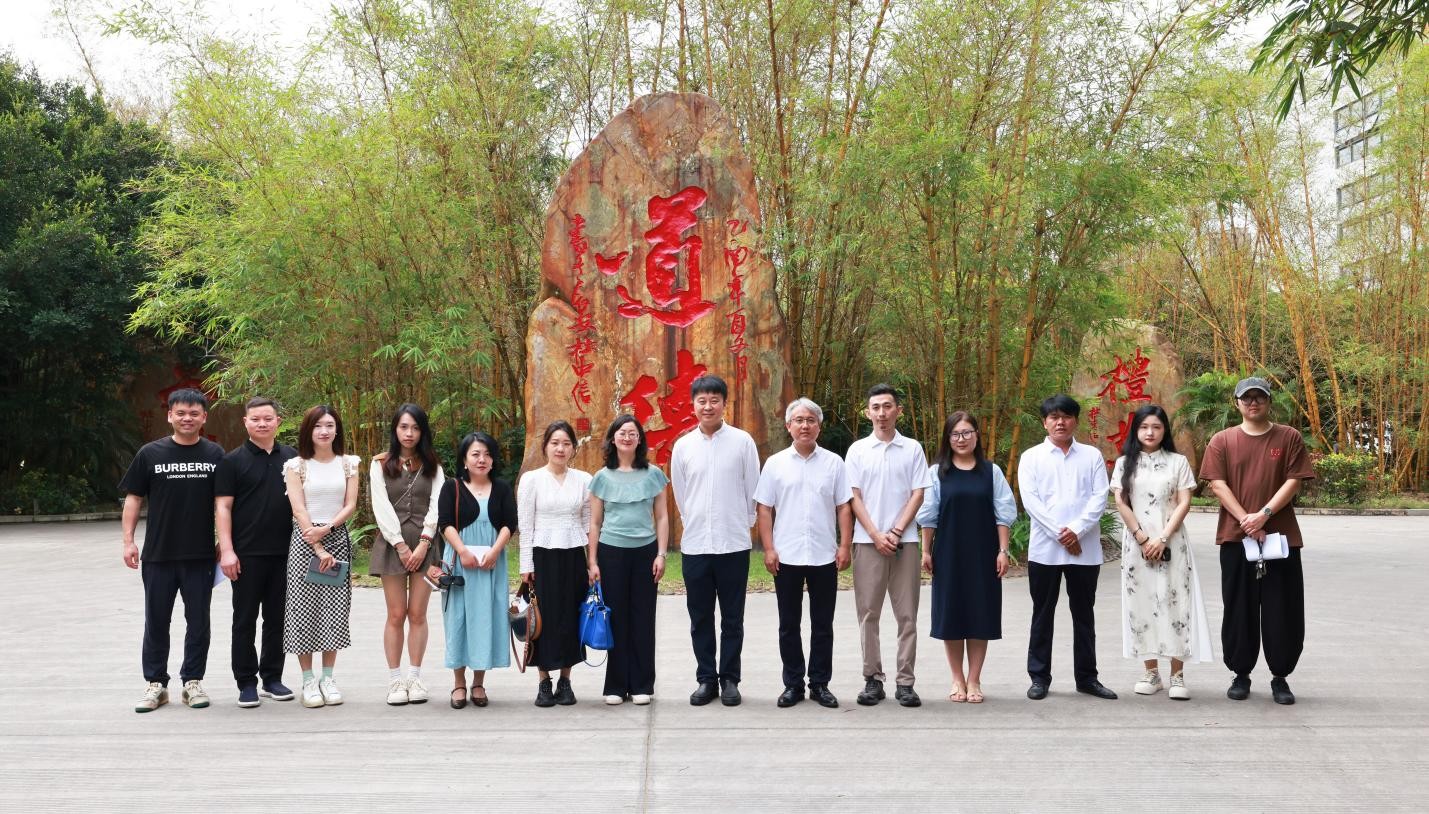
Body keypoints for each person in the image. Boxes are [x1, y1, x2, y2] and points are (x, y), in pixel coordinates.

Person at [1200, 377, 1313, 705]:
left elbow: (1294, 481)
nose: (1253, 403)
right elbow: (1217, 484)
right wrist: (1246, 521)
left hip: (1280, 539)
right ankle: (1240, 673)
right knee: (1239, 607)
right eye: (1246, 398)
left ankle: (1280, 676)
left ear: (1268, 401)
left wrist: (1263, 515)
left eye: (1259, 397)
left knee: (1283, 608)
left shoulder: (1288, 437)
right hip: (1236, 538)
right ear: (1236, 403)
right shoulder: (1222, 440)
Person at [120, 388, 225, 713]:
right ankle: (156, 684)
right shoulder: (150, 453)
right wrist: (128, 540)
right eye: (181, 413)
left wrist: (225, 543)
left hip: (200, 556)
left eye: (194, 413)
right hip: (158, 555)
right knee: (156, 621)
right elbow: (134, 498)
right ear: (170, 416)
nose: (187, 418)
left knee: (199, 622)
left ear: (204, 417)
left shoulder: (215, 454)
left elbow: (224, 503)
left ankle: (192, 682)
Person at [1110, 404, 1214, 700]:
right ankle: (1151, 672)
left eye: (1156, 427)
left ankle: (1177, 675)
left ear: (1164, 430)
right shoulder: (1124, 463)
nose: (1150, 432)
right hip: (1137, 544)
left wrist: (1163, 537)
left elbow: (1184, 502)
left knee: (1176, 602)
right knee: (1141, 603)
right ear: (1136, 430)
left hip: (1173, 542)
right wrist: (1142, 538)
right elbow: (1121, 502)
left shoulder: (1177, 462)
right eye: (1144, 427)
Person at [754, 398, 853, 709]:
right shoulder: (775, 464)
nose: (805, 425)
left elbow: (843, 507)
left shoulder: (834, 463)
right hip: (786, 555)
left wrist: (845, 545)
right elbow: (764, 509)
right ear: (789, 426)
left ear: (819, 427)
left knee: (823, 624)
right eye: (799, 420)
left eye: (811, 420)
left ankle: (820, 684)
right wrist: (769, 548)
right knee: (789, 624)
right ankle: (793, 684)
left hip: (824, 554)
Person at [1017, 394, 1117, 701]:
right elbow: (1031, 502)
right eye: (1054, 417)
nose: (1060, 422)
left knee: (1084, 615)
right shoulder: (1031, 457)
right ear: (1044, 422)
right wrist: (1062, 535)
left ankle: (1087, 678)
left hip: (1084, 551)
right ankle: (1039, 678)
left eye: (1066, 416)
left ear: (1076, 420)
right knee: (1042, 614)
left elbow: (1099, 497)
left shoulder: (1091, 456)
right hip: (1045, 552)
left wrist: (1076, 531)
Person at [669, 374, 760, 707]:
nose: (708, 406)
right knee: (700, 617)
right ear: (693, 405)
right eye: (702, 401)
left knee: (733, 618)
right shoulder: (683, 446)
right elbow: (681, 494)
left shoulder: (742, 442)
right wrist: (693, 521)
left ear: (724, 403)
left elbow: (753, 488)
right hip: (696, 546)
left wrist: (743, 524)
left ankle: (730, 679)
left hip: (733, 544)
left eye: (714, 400)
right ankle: (706, 679)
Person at [916, 411, 1016, 704]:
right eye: (955, 434)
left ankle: (974, 679)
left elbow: (1003, 514)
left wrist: (1003, 551)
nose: (961, 439)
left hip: (984, 552)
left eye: (966, 433)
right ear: (948, 438)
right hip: (948, 552)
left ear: (976, 435)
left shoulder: (991, 472)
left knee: (980, 613)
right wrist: (926, 550)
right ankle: (957, 678)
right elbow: (929, 515)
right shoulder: (937, 473)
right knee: (951, 614)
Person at [844, 384, 931, 707]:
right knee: (869, 614)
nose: (882, 413)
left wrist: (895, 531)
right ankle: (872, 679)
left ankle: (905, 682)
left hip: (904, 542)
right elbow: (853, 496)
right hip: (867, 543)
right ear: (868, 412)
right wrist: (875, 534)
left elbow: (918, 493)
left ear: (898, 411)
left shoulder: (912, 449)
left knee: (907, 615)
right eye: (876, 407)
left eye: (887, 406)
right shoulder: (857, 450)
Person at [215, 397, 298, 708]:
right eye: (255, 419)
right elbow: (223, 507)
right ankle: (246, 682)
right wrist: (227, 550)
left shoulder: (292, 458)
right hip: (246, 554)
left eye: (268, 418)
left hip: (286, 552)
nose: (262, 423)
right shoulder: (231, 461)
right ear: (245, 422)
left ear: (278, 421)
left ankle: (272, 678)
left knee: (277, 619)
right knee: (244, 619)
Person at [587, 415, 670, 705]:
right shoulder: (602, 477)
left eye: (632, 433)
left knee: (643, 617)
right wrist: (593, 561)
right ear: (613, 438)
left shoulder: (653, 474)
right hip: (611, 552)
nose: (627, 437)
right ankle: (615, 685)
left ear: (639, 440)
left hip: (646, 551)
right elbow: (595, 523)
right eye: (622, 432)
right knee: (616, 617)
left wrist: (661, 554)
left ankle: (642, 684)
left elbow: (662, 517)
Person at [282, 405, 360, 708]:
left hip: (336, 538)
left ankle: (328, 678)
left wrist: (327, 529)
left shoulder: (348, 464)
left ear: (337, 429)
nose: (324, 431)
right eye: (317, 426)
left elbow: (350, 504)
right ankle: (308, 680)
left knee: (334, 609)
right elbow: (298, 508)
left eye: (329, 425)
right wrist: (316, 544)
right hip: (304, 542)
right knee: (304, 610)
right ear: (308, 430)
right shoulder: (296, 465)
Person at [369, 404, 445, 706]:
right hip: (392, 544)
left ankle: (414, 677)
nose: (409, 433)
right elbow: (381, 506)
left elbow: (438, 504)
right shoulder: (380, 464)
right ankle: (395, 680)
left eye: (415, 427)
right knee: (396, 613)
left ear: (422, 431)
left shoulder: (433, 466)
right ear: (395, 429)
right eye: (403, 427)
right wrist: (400, 545)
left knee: (417, 614)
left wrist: (425, 543)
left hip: (426, 544)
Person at [431, 432, 514, 708]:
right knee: (458, 619)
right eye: (476, 454)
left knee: (486, 618)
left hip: (491, 563)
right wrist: (463, 551)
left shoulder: (502, 488)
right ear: (464, 460)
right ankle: (458, 683)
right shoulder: (452, 487)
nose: (482, 459)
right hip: (460, 563)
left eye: (487, 454)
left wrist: (495, 551)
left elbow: (509, 523)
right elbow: (445, 523)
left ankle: (478, 682)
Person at [517, 420, 593, 707]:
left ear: (573, 448)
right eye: (555, 443)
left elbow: (589, 524)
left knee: (571, 617)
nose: (560, 449)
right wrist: (526, 565)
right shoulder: (532, 479)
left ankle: (565, 681)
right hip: (542, 556)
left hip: (573, 555)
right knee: (542, 618)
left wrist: (592, 563)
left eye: (566, 444)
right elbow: (526, 525)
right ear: (545, 446)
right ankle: (543, 682)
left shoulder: (584, 479)